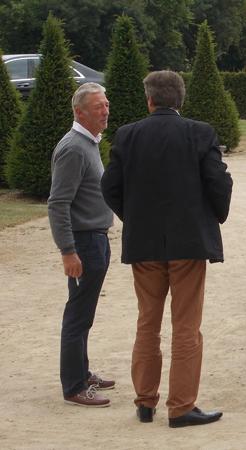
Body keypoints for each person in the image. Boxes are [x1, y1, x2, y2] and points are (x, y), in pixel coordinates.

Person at [101, 70, 233, 428]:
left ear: (149, 100)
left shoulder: (128, 135)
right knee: (186, 326)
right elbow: (217, 184)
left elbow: (109, 186)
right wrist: (215, 214)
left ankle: (145, 402)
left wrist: (136, 218)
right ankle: (181, 406)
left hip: (144, 245)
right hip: (188, 244)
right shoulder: (200, 133)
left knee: (147, 323)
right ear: (180, 99)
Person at [48, 82, 115, 408]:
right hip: (84, 243)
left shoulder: (88, 143)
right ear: (79, 112)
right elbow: (57, 203)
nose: (105, 111)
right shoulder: (74, 148)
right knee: (77, 315)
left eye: (105, 104)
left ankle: (82, 371)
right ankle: (74, 386)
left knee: (84, 313)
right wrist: (68, 250)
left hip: (95, 240)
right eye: (98, 106)